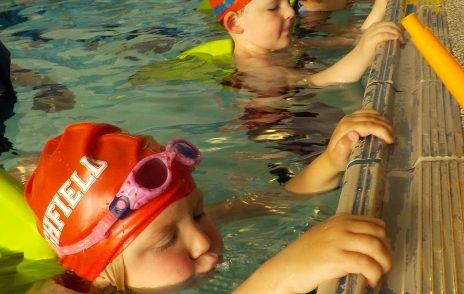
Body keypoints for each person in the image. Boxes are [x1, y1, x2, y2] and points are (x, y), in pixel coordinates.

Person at [24, 109, 394, 293]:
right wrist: (278, 278)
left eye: (198, 213)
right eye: (168, 239)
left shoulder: (166, 225)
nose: (203, 239)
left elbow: (274, 201)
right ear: (101, 272)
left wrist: (331, 161)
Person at [208, 0, 403, 88]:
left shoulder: (283, 46)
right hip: (287, 133)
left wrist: (378, 11)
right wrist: (360, 56)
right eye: (274, 7)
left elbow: (350, 39)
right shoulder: (256, 68)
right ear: (234, 23)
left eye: (288, 2)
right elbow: (315, 81)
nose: (291, 12)